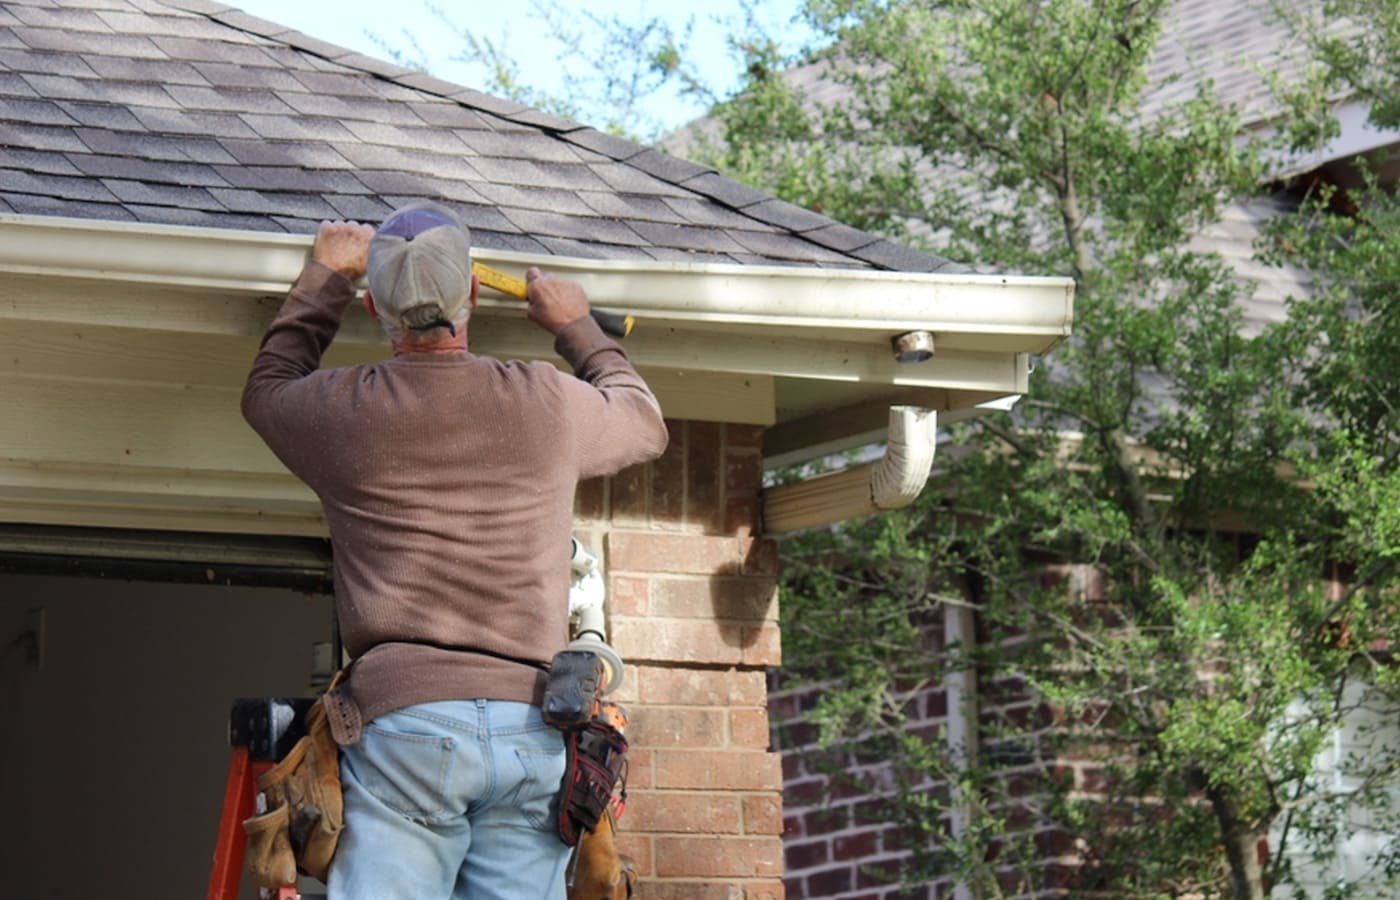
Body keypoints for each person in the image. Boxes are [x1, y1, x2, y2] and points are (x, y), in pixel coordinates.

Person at [241, 201, 669, 900]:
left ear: (374, 306)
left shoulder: (343, 410)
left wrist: (324, 279)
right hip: (534, 726)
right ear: (472, 293)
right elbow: (643, 423)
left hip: (407, 724)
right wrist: (574, 325)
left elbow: (266, 391)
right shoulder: (544, 401)